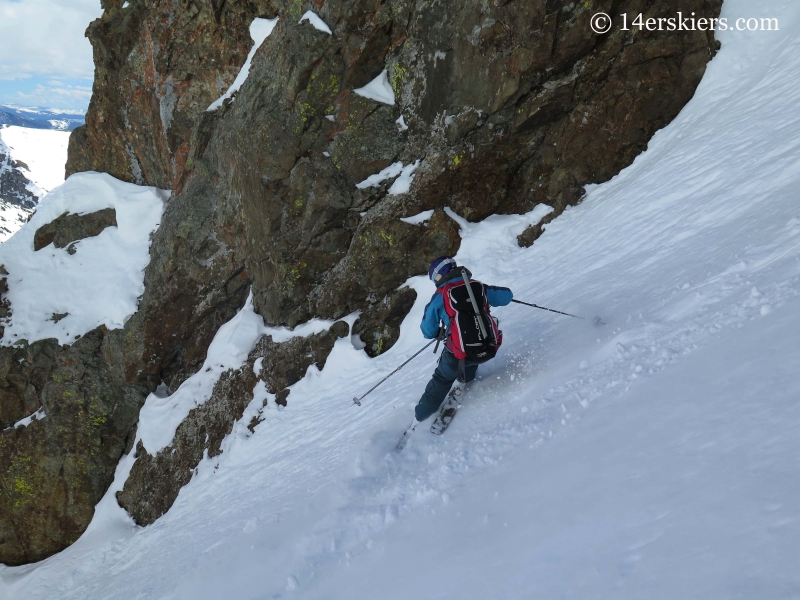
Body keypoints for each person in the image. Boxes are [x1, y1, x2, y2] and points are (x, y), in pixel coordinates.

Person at [411, 256, 513, 428]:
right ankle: (465, 381)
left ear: (439, 276)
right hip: (487, 347)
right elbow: (507, 296)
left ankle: (420, 417)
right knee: (472, 354)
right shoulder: (477, 286)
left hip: (456, 353)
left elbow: (427, 331)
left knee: (442, 380)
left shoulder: (441, 296)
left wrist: (440, 331)